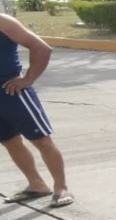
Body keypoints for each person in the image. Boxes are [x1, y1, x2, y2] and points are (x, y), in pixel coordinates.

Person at [0, 13, 72, 207]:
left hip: (12, 91)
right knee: (9, 141)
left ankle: (61, 187)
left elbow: (42, 48)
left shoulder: (3, 21)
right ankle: (36, 184)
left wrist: (28, 79)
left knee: (41, 140)